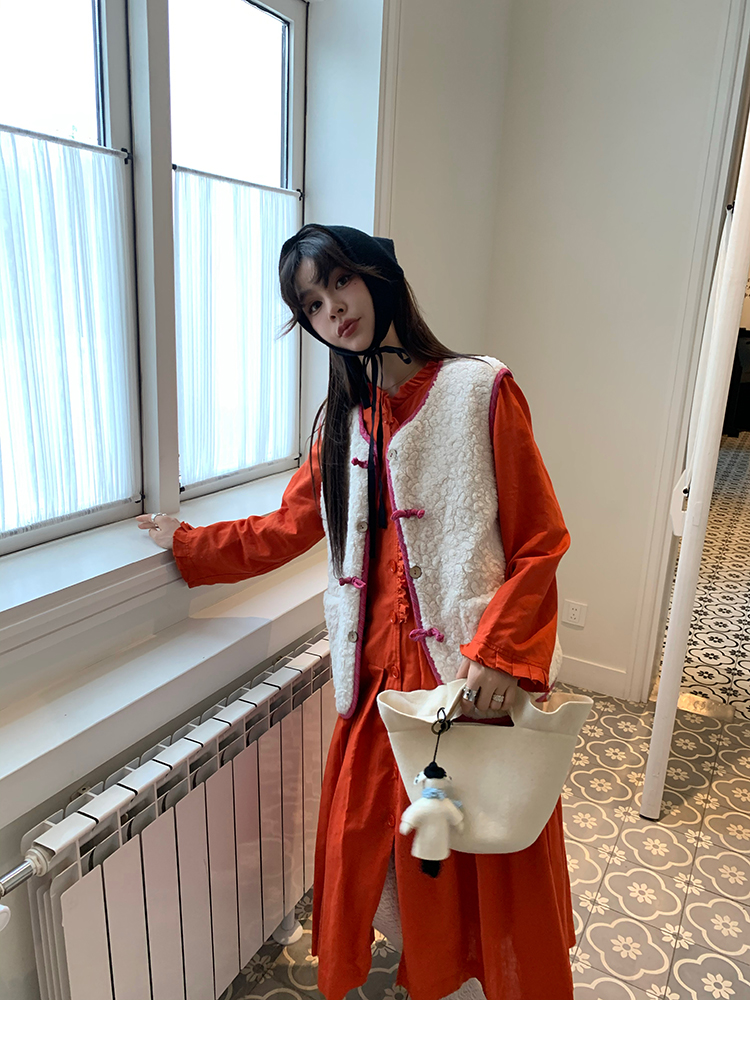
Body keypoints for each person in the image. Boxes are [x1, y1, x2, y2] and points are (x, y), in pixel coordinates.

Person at [137, 223, 574, 1000]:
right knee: (382, 853)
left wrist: (501, 656)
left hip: (466, 679)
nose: (331, 309)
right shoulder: (343, 424)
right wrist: (187, 545)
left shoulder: (481, 390)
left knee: (483, 848)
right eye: (310, 303)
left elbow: (540, 540)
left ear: (378, 274)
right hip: (373, 685)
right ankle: (429, 979)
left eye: (339, 282)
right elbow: (286, 528)